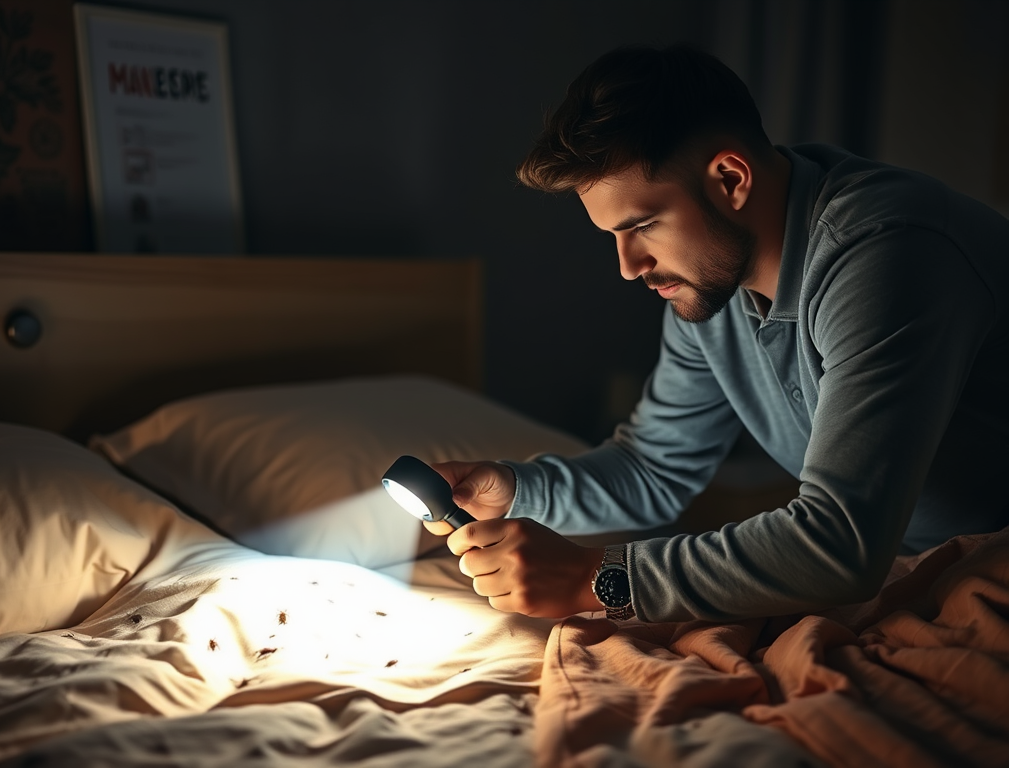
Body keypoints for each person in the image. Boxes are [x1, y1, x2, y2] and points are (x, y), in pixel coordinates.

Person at [427, 44, 1009, 623]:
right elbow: (654, 468)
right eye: (613, 234)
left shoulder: (888, 251)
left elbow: (839, 545)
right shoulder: (710, 281)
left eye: (644, 225)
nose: (629, 266)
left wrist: (595, 578)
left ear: (730, 178)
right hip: (924, 572)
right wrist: (511, 489)